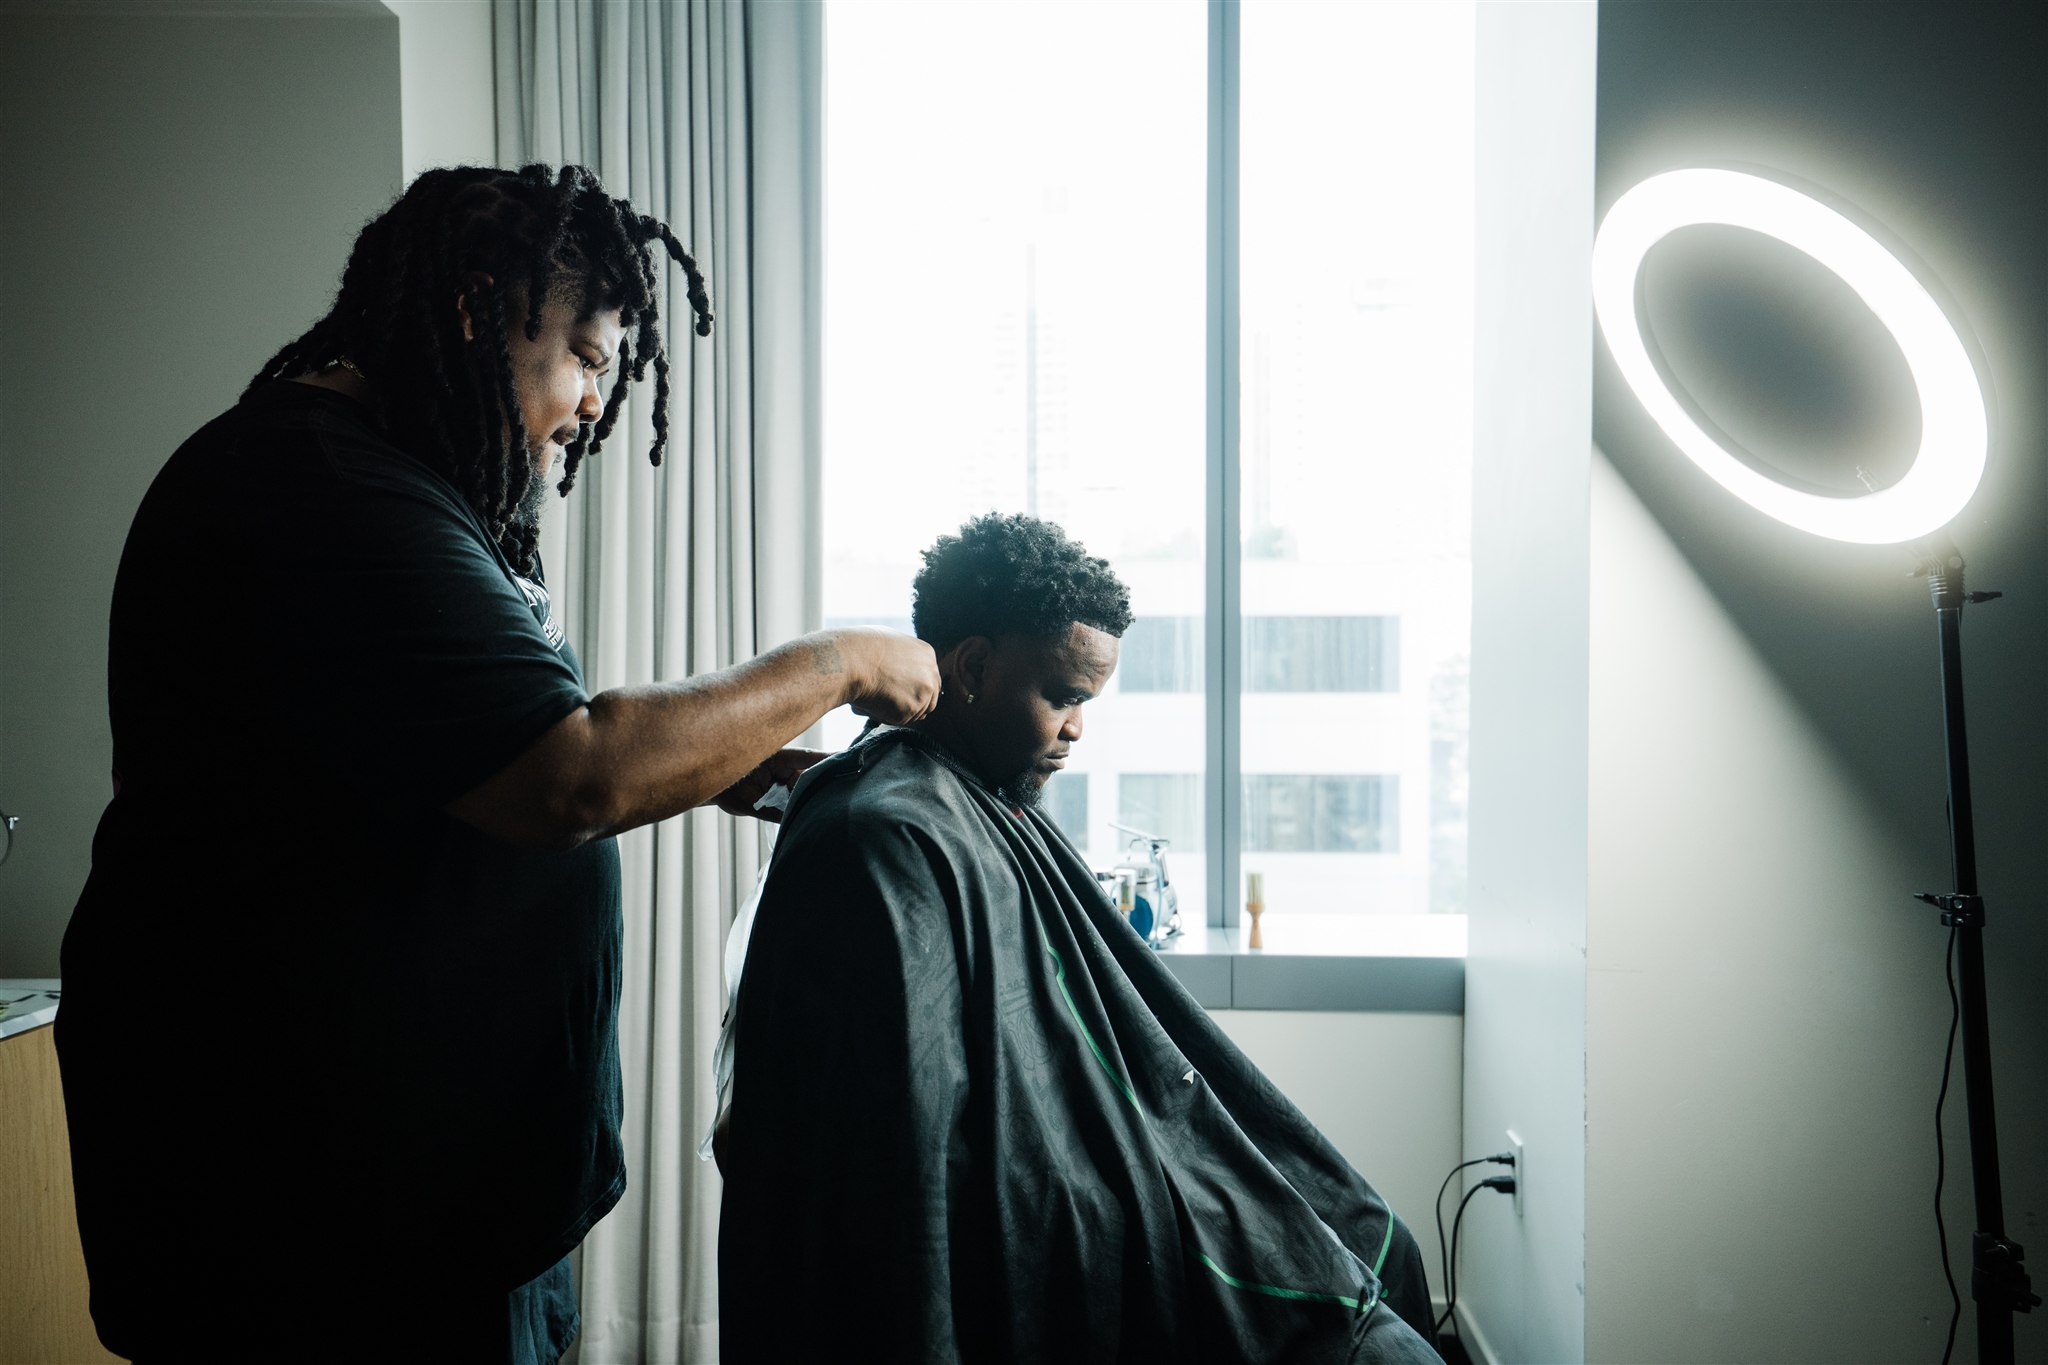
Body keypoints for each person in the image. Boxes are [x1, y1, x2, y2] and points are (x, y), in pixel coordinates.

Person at [55, 164, 938, 1364]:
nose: (588, 403)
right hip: (316, 1223)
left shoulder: (393, 485)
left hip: (434, 1193)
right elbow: (568, 773)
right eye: (582, 354)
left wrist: (736, 763)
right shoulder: (323, 491)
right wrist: (837, 659)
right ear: (477, 309)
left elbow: (455, 745)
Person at [719, 513, 1441, 1364]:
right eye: (1063, 697)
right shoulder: (885, 837)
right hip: (1073, 1207)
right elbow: (899, 1160)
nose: (1076, 730)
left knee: (1378, 1239)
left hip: (1122, 1158)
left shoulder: (983, 800)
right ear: (976, 668)